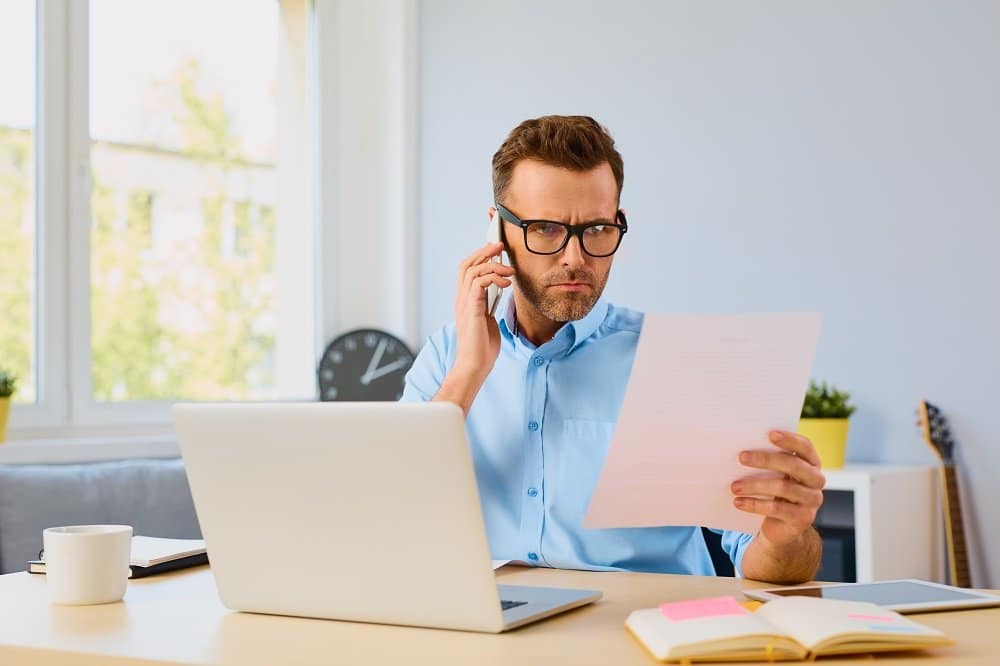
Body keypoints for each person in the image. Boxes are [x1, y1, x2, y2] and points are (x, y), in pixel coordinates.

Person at [401, 115, 824, 583]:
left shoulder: (677, 365)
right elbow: (391, 512)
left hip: (643, 632)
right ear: (497, 234)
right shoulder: (447, 357)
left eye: (598, 229)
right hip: (492, 629)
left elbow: (766, 563)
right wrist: (469, 373)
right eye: (545, 228)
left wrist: (787, 537)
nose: (575, 258)